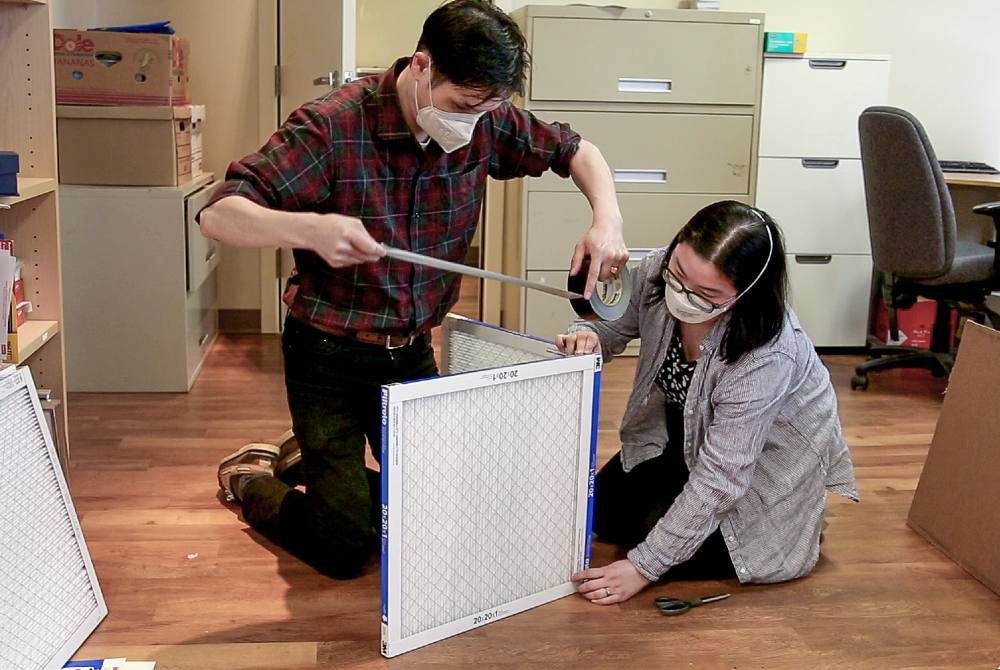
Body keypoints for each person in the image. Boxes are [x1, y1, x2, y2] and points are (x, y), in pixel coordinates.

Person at [199, 0, 628, 579]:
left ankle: (324, 466)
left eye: (490, 108)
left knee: (440, 516)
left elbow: (576, 150)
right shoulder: (331, 125)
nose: (474, 122)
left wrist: (608, 221)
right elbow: (219, 214)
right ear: (421, 66)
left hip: (409, 350)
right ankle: (252, 478)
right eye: (464, 106)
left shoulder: (485, 118)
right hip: (325, 353)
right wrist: (309, 228)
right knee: (345, 548)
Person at [556, 200, 858, 604]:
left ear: (745, 294)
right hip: (687, 434)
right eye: (678, 276)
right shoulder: (660, 270)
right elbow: (615, 326)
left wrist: (643, 568)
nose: (681, 296)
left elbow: (722, 478)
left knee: (650, 540)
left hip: (758, 465)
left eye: (707, 294)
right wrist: (588, 337)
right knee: (608, 512)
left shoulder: (767, 353)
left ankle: (791, 518)